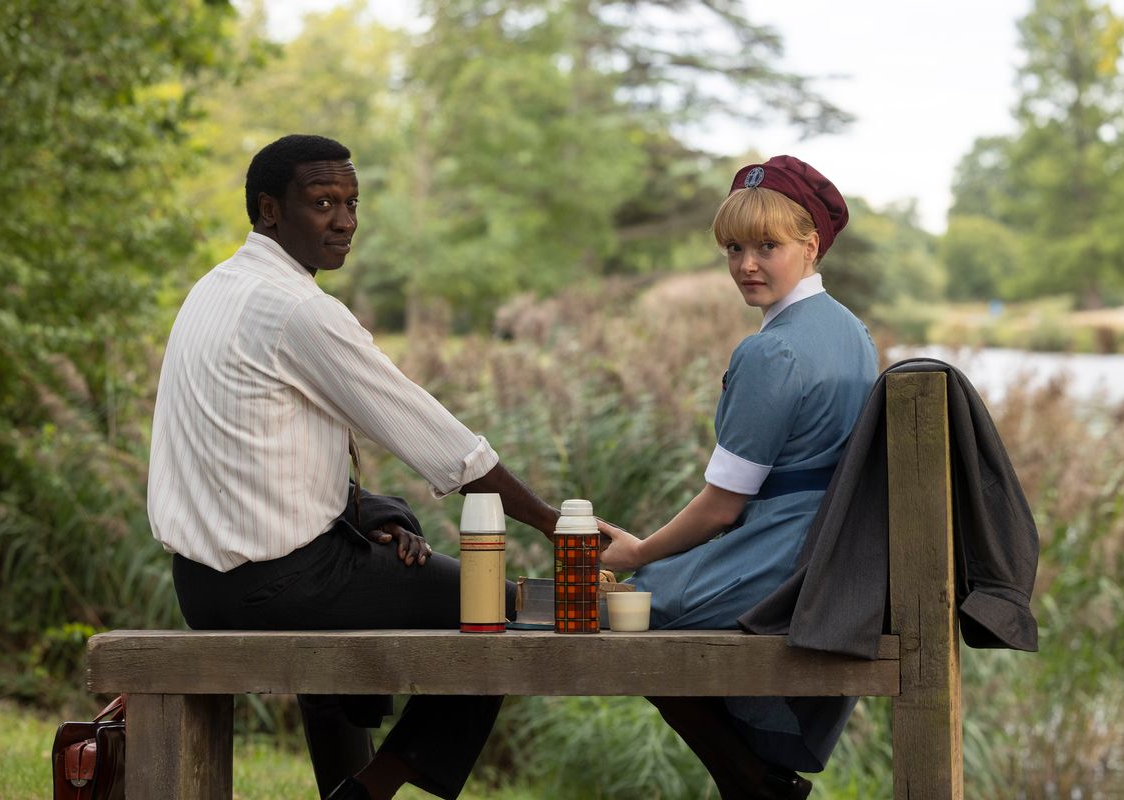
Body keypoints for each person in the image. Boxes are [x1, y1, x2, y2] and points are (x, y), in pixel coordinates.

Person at [147, 134, 559, 800]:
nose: (345, 222)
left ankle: (346, 783)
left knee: (397, 579)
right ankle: (369, 790)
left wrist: (358, 516)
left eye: (351, 202)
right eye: (322, 203)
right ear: (269, 210)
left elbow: (252, 457)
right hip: (276, 586)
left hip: (201, 584)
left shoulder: (215, 289)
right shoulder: (299, 310)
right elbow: (435, 436)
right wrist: (548, 521)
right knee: (494, 617)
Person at [599, 156, 878, 800]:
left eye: (767, 246)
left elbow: (724, 507)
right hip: (834, 550)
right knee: (644, 602)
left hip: (785, 554)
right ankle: (753, 779)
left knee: (630, 610)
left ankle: (748, 780)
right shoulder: (853, 331)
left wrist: (639, 550)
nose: (746, 264)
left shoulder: (771, 350)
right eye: (733, 247)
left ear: (810, 247)